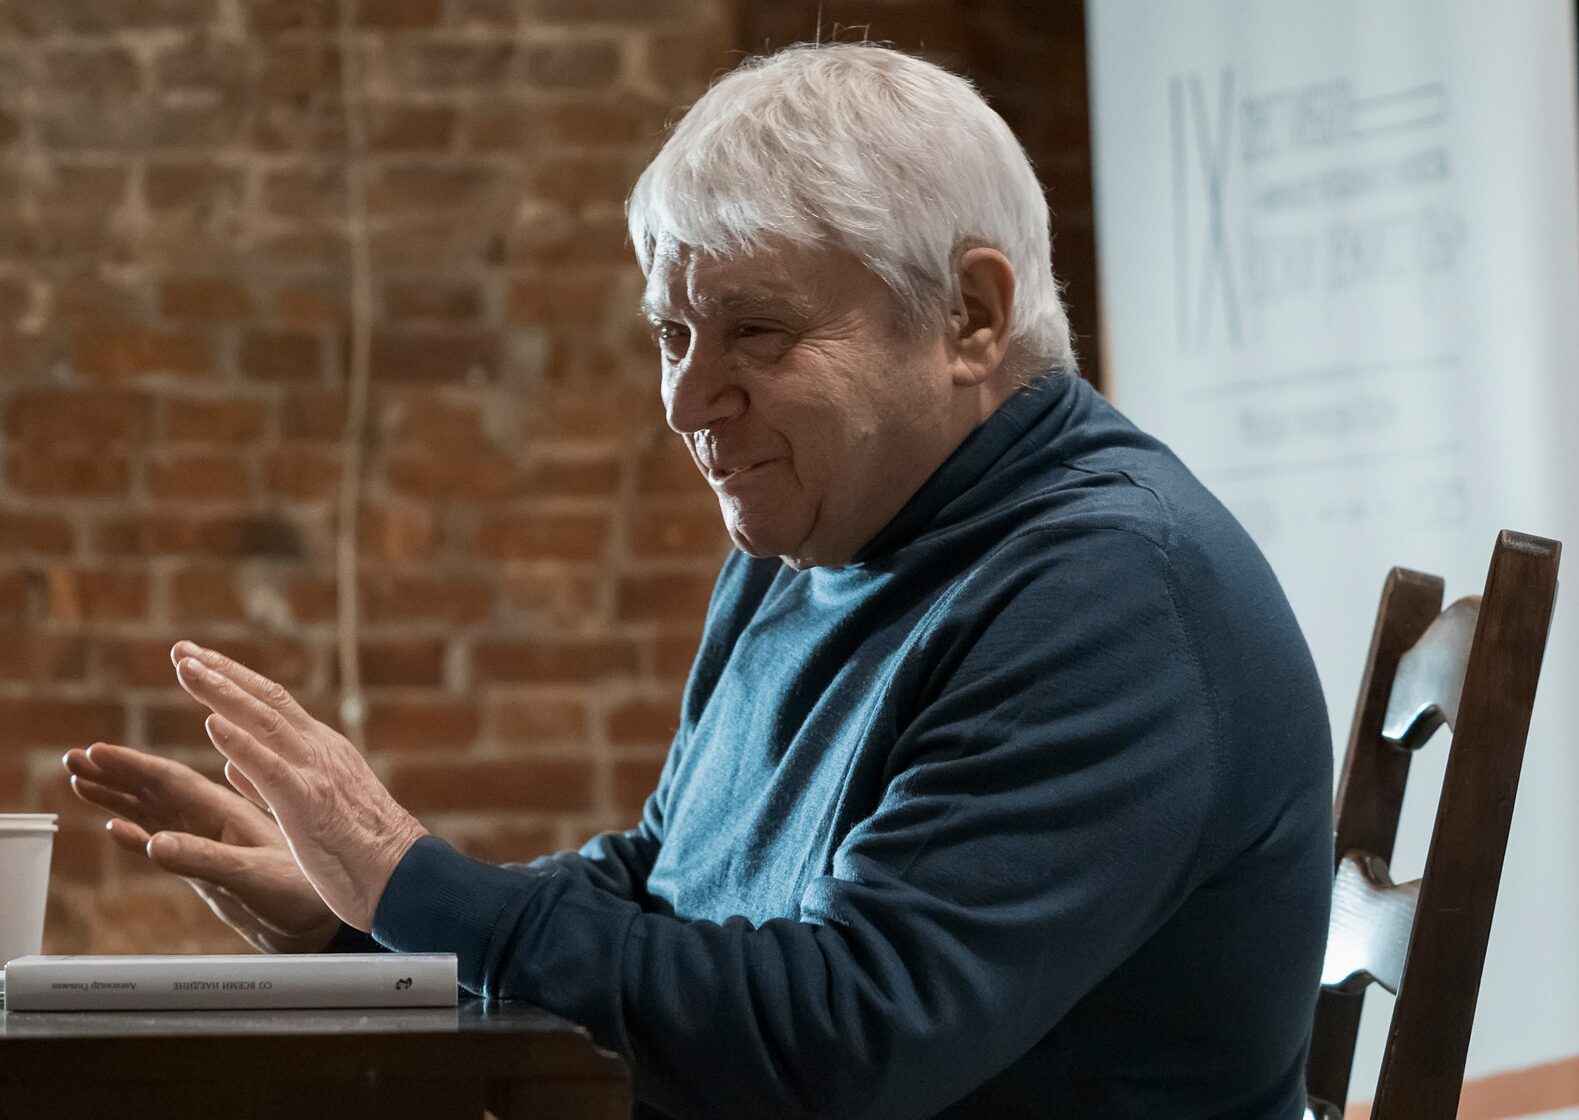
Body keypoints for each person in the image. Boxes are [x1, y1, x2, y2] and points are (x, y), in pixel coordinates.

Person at [62, 43, 1332, 1120]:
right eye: (672, 332)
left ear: (971, 316)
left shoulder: (1113, 592)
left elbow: (849, 1037)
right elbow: (660, 879)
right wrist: (367, 921)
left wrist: (412, 881)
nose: (683, 399)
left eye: (756, 331)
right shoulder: (810, 541)